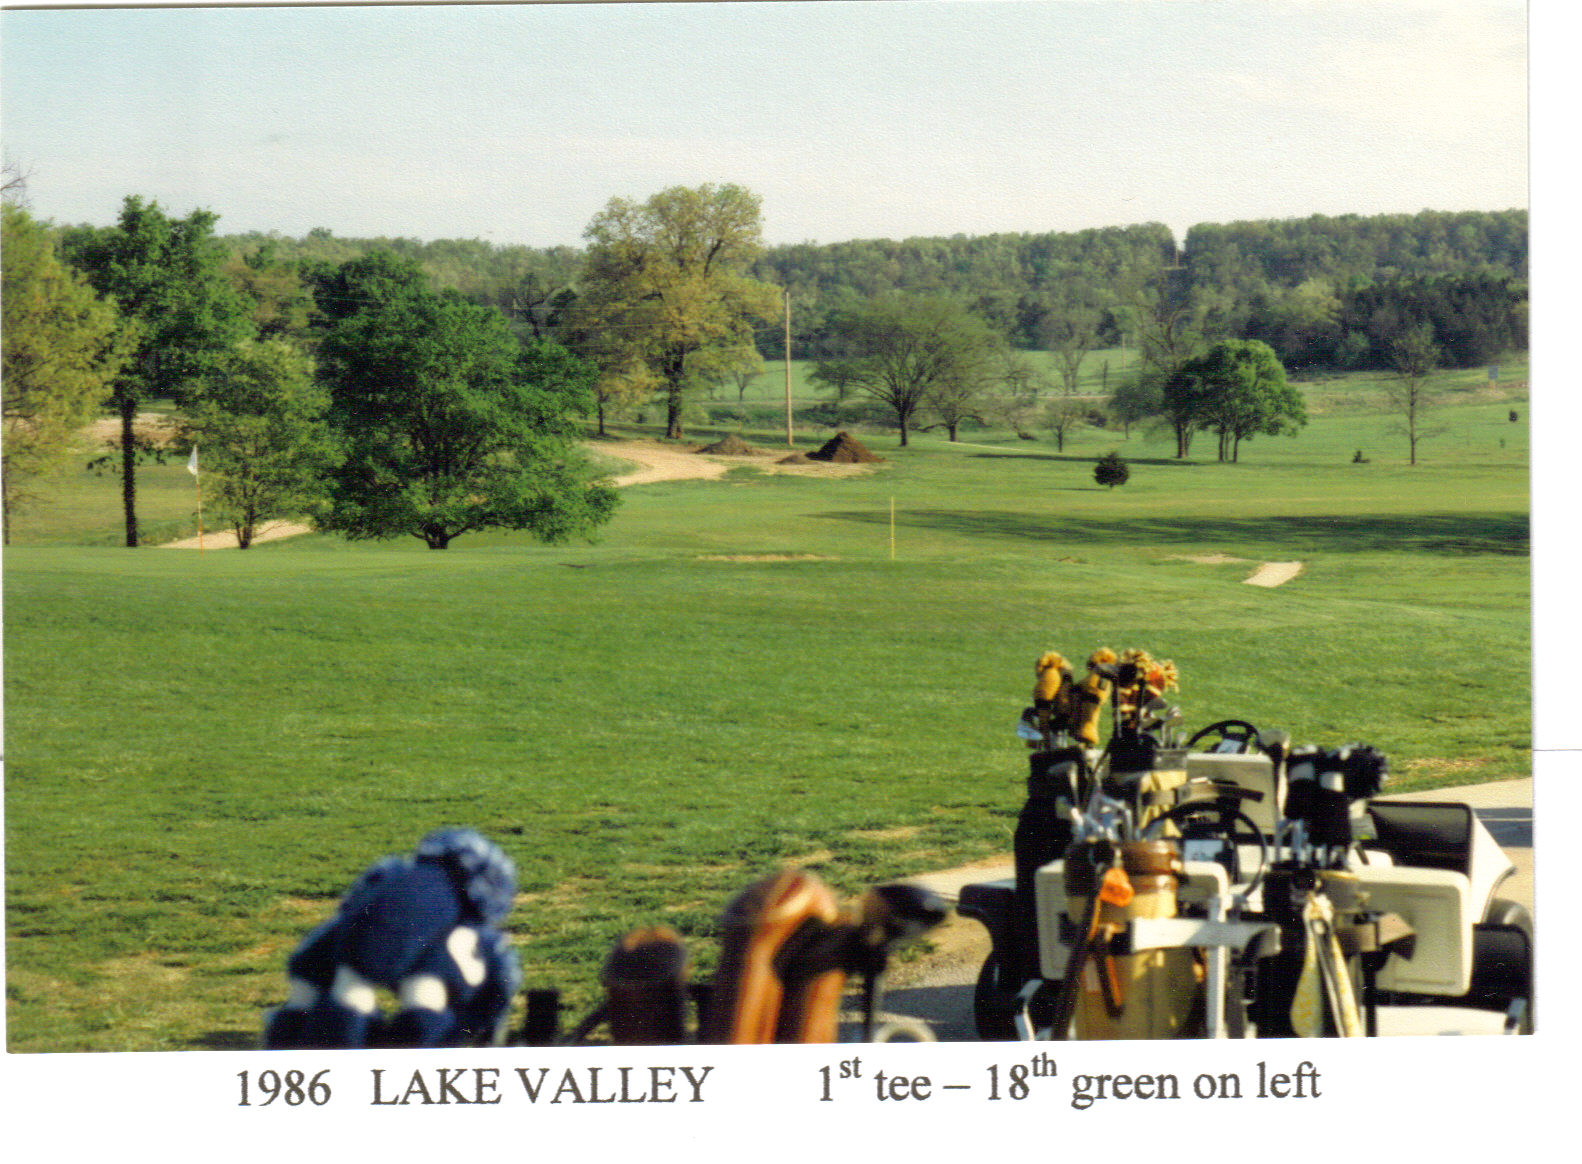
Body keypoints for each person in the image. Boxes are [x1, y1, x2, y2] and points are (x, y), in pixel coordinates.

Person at [263, 827, 521, 1048]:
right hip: (427, 963)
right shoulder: (463, 915)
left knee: (348, 985)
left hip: (359, 956)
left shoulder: (395, 876)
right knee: (421, 990)